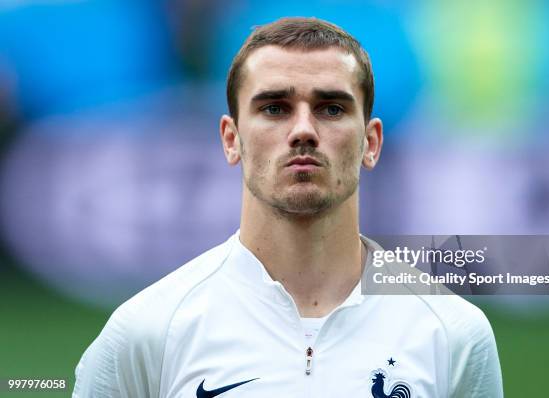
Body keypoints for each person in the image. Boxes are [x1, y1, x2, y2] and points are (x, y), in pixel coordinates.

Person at [73, 17, 503, 397]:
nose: (303, 130)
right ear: (231, 139)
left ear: (370, 142)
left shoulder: (452, 334)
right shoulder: (149, 330)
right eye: (274, 108)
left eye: (331, 108)